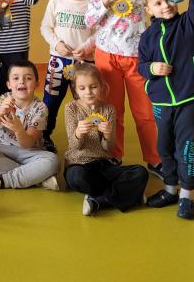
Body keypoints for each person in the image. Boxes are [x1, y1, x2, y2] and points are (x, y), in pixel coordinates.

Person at [138, 0, 194, 220]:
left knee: (186, 147)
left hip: (189, 97)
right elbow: (141, 65)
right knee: (164, 146)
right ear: (148, 9)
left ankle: (186, 196)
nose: (165, 5)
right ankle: (170, 190)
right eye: (158, 3)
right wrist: (152, 69)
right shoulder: (147, 37)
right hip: (161, 101)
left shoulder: (189, 23)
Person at [85, 0, 161, 174]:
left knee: (145, 112)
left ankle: (155, 158)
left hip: (138, 58)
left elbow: (164, 0)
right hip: (107, 58)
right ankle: (113, 154)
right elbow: (89, 22)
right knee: (112, 110)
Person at [63, 64, 149, 215]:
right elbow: (75, 146)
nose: (88, 92)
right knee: (78, 178)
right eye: (82, 88)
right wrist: (78, 133)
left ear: (101, 86)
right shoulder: (71, 108)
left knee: (140, 172)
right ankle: (129, 194)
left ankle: (98, 201)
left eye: (93, 87)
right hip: (78, 164)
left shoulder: (108, 109)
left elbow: (107, 148)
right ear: (75, 89)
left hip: (103, 165)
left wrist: (108, 135)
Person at [39, 0, 95, 151]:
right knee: (51, 100)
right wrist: (57, 44)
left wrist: (86, 46)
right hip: (58, 61)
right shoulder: (56, 0)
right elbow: (45, 27)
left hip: (84, 63)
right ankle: (44, 136)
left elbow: (100, 32)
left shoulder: (93, 2)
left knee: (85, 101)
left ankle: (88, 137)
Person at [0, 60, 61, 190]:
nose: (21, 82)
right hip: (3, 148)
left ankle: (2, 181)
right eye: (16, 78)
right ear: (9, 84)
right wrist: (0, 112)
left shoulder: (40, 108)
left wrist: (19, 130)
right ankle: (37, 178)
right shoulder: (3, 99)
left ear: (37, 83)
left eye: (28, 78)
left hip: (31, 152)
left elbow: (28, 143)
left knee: (53, 161)